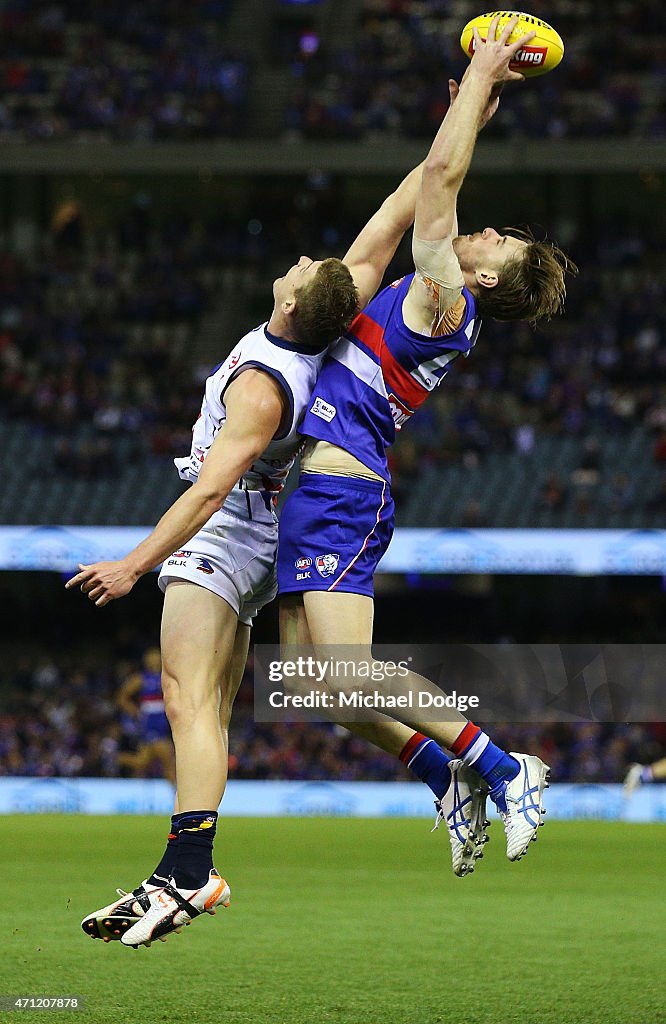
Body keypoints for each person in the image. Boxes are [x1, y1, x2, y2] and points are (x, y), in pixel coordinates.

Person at [68, 132, 453, 945]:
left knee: (188, 699)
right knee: (223, 701)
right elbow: (395, 214)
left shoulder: (260, 385)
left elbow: (209, 488)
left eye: (303, 266)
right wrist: (466, 115)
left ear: (286, 302)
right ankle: (188, 872)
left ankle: (188, 871)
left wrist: (134, 565)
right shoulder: (322, 328)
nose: (305, 261)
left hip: (230, 531)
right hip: (264, 531)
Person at [277, 17, 577, 875]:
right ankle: (442, 770)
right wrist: (468, 115)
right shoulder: (423, 290)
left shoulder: (447, 298)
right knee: (307, 689)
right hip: (317, 492)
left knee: (348, 671)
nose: (488, 233)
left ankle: (501, 763)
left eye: (500, 243)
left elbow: (441, 183)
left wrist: (483, 72)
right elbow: (414, 192)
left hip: (342, 489)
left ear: (486, 276)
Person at [116, 647, 175, 784]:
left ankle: (116, 758)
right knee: (167, 759)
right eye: (151, 658)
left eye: (156, 657)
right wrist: (135, 712)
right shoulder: (141, 678)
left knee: (142, 762)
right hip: (151, 723)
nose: (154, 660)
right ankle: (177, 796)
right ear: (146, 661)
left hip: (164, 721)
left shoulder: (166, 676)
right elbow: (122, 697)